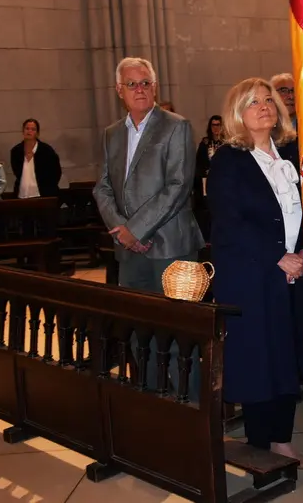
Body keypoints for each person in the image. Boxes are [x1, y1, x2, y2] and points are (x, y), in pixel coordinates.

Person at [206, 77, 303, 467]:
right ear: (237, 113)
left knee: (286, 354)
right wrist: (276, 256)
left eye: (269, 100)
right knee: (257, 358)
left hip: (293, 268)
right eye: (253, 102)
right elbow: (229, 223)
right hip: (251, 275)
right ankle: (262, 440)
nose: (265, 106)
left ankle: (280, 440)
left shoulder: (290, 152)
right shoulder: (228, 160)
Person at [93, 57, 205, 391]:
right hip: (130, 251)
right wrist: (122, 231)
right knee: (141, 329)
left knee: (179, 332)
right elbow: (102, 187)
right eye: (132, 84)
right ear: (119, 90)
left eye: (146, 83)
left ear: (155, 87)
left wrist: (136, 229)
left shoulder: (176, 126)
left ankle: (193, 407)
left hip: (171, 245)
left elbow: (178, 185)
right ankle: (155, 404)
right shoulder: (112, 133)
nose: (140, 89)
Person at [10, 118, 62, 198]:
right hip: (22, 195)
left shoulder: (47, 150)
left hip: (43, 195)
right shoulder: (16, 151)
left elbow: (56, 172)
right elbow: (16, 172)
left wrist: (49, 188)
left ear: (37, 133)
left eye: (33, 129)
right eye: (27, 128)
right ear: (23, 131)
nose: (29, 131)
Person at [194, 115, 226, 198]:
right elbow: (199, 162)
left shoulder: (227, 143)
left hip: (223, 178)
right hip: (207, 178)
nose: (215, 128)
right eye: (213, 125)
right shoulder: (205, 143)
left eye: (218, 125)